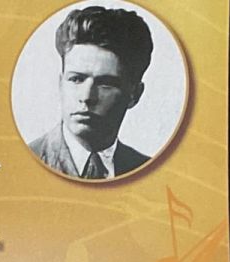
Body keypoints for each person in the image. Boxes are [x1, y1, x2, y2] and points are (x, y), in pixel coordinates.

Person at [29, 6, 154, 179]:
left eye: (105, 84)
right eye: (76, 79)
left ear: (135, 94)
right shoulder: (22, 162)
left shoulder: (151, 170)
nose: (87, 97)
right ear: (60, 84)